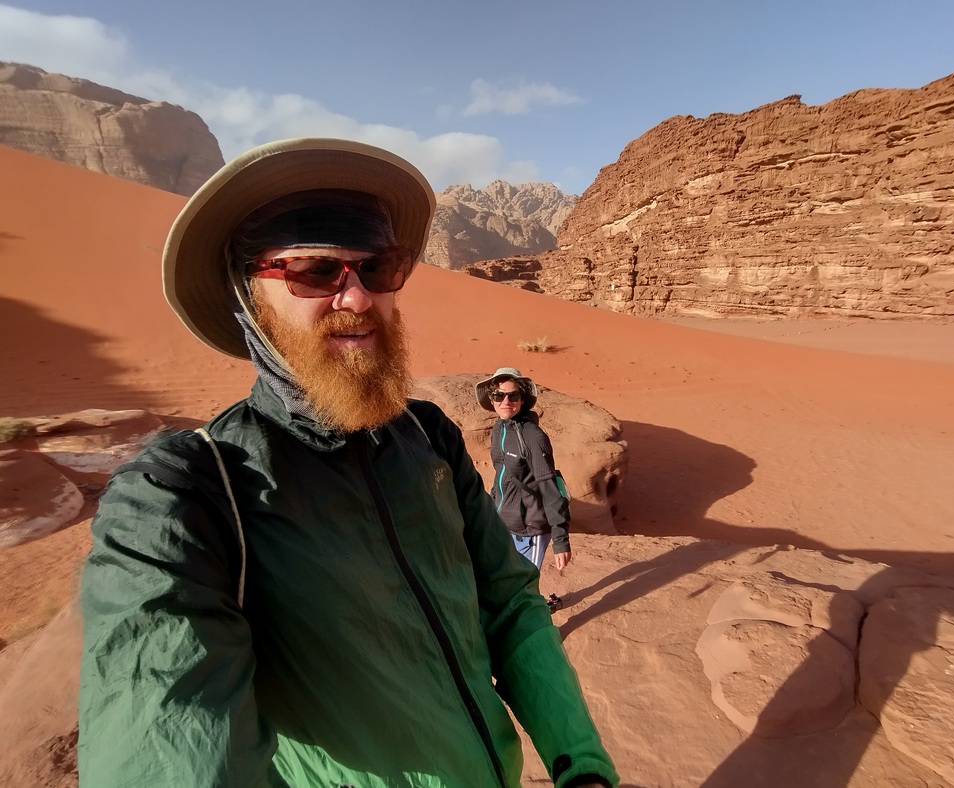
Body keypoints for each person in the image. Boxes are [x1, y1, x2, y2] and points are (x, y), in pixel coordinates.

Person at [77, 138, 618, 788]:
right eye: (314, 270)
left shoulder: (428, 435)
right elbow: (165, 732)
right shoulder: (184, 493)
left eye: (378, 267)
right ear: (245, 293)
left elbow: (507, 602)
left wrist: (580, 763)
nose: (358, 298)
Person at [475, 368, 571, 613]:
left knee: (525, 585)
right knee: (507, 582)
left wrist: (560, 540)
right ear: (492, 399)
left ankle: (537, 622)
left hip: (531, 528)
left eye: (513, 395)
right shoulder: (499, 429)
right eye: (499, 395)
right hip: (505, 524)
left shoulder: (533, 437)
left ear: (522, 399)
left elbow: (550, 489)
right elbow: (501, 476)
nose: (506, 401)